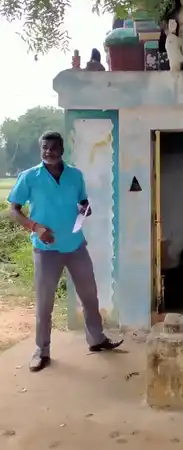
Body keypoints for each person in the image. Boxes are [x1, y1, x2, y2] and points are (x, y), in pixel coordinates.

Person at [8, 131, 123, 372]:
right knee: (44, 303)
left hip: (75, 245)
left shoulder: (75, 175)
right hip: (46, 249)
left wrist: (85, 209)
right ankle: (42, 351)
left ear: (62, 150)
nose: (48, 152)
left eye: (53, 148)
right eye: (44, 148)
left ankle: (96, 340)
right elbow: (14, 209)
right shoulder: (29, 177)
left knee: (90, 296)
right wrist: (36, 227)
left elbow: (83, 202)